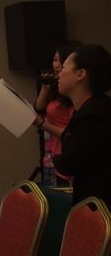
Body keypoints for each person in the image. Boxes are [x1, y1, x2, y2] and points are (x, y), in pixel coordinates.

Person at [53, 44, 111, 206]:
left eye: (64, 67)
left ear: (80, 74)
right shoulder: (91, 109)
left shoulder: (95, 114)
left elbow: (72, 161)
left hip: (100, 205)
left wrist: (55, 160)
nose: (59, 73)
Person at [32, 41, 81, 179]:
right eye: (54, 60)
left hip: (67, 153)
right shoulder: (57, 86)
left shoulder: (74, 94)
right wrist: (45, 87)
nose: (56, 65)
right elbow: (39, 108)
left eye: (61, 62)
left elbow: (71, 134)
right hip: (52, 153)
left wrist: (41, 124)